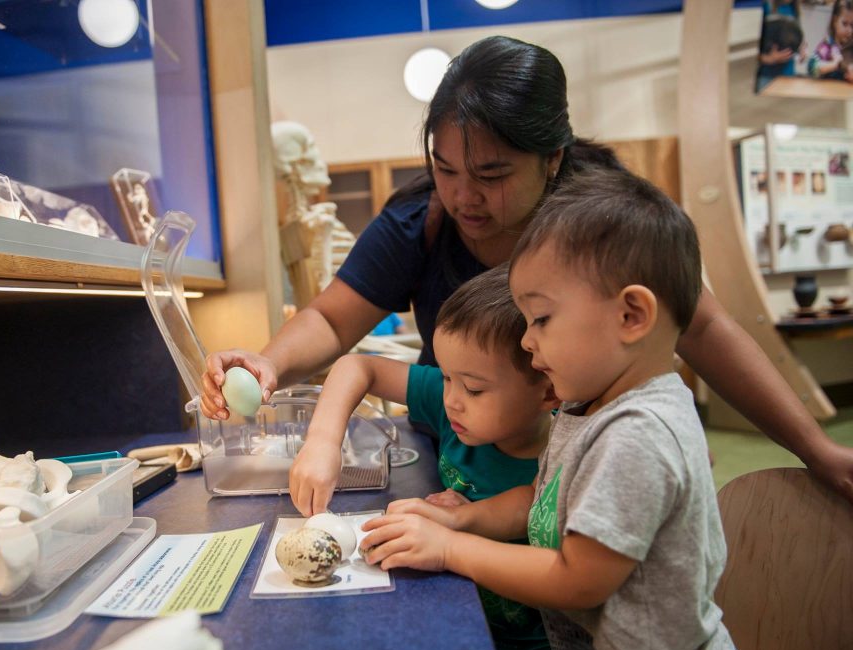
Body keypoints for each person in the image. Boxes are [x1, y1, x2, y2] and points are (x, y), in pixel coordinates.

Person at [199, 35, 853, 505]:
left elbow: (704, 328)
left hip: (579, 462)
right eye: (445, 169)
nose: (462, 197)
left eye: (491, 175)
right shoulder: (420, 221)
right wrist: (268, 363)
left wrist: (816, 449)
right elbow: (330, 317)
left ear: (552, 159)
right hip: (464, 454)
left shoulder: (603, 217)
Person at [361, 169, 744, 650]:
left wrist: (452, 549)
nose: (526, 341)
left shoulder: (636, 434)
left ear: (631, 315)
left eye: (540, 319)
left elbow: (577, 580)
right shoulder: (587, 403)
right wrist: (460, 519)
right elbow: (544, 499)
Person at [291, 265, 560, 650]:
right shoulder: (456, 402)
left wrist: (463, 518)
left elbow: (532, 501)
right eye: (446, 376)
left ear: (548, 389)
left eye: (472, 388)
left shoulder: (568, 451)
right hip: (465, 623)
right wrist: (324, 439)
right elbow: (357, 366)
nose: (450, 399)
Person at [807, 0, 853, 80]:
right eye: (845, 24)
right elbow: (811, 68)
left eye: (852, 25)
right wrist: (834, 64)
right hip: (827, 91)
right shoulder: (827, 46)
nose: (849, 30)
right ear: (835, 21)